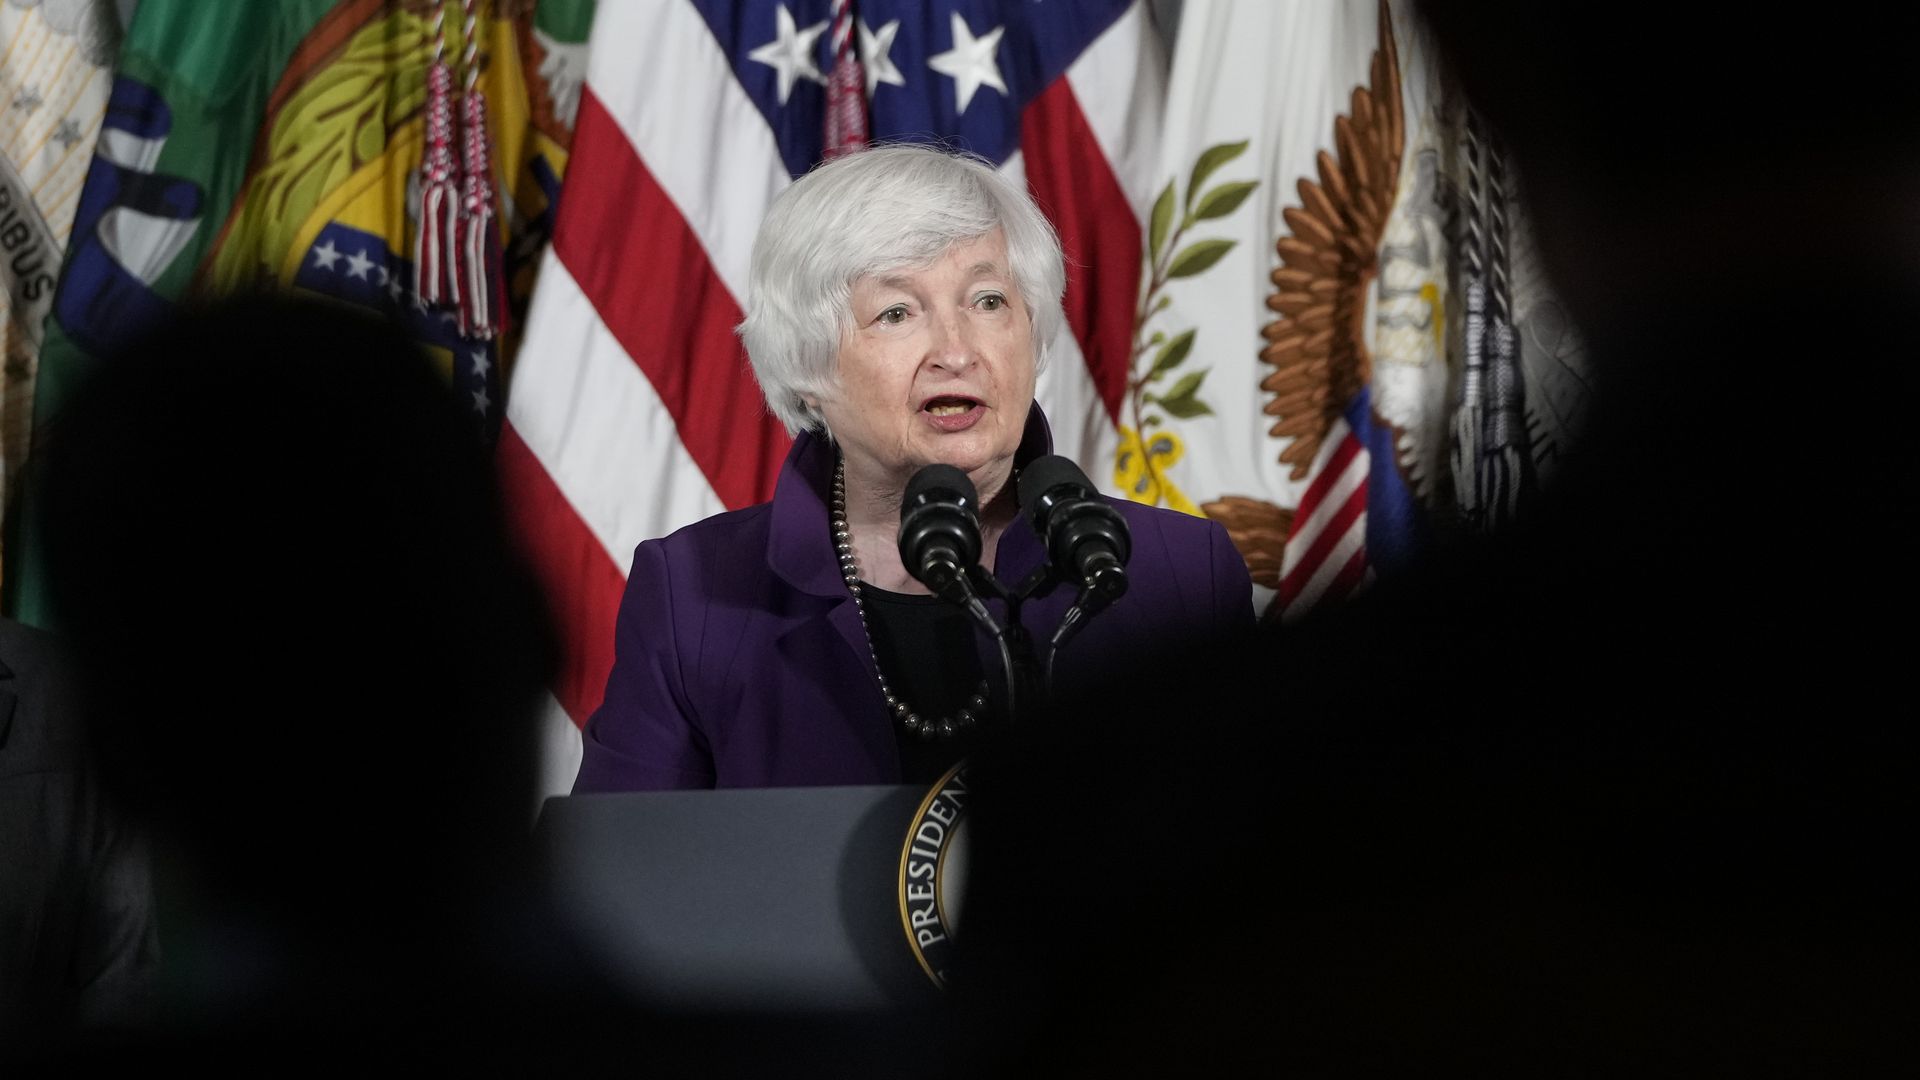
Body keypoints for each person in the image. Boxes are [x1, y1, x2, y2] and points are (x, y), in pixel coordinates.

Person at [575, 145, 1255, 792]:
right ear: (809, 368)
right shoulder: (695, 597)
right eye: (897, 312)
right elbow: (624, 880)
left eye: (988, 301)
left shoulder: (1182, 575)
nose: (956, 351)